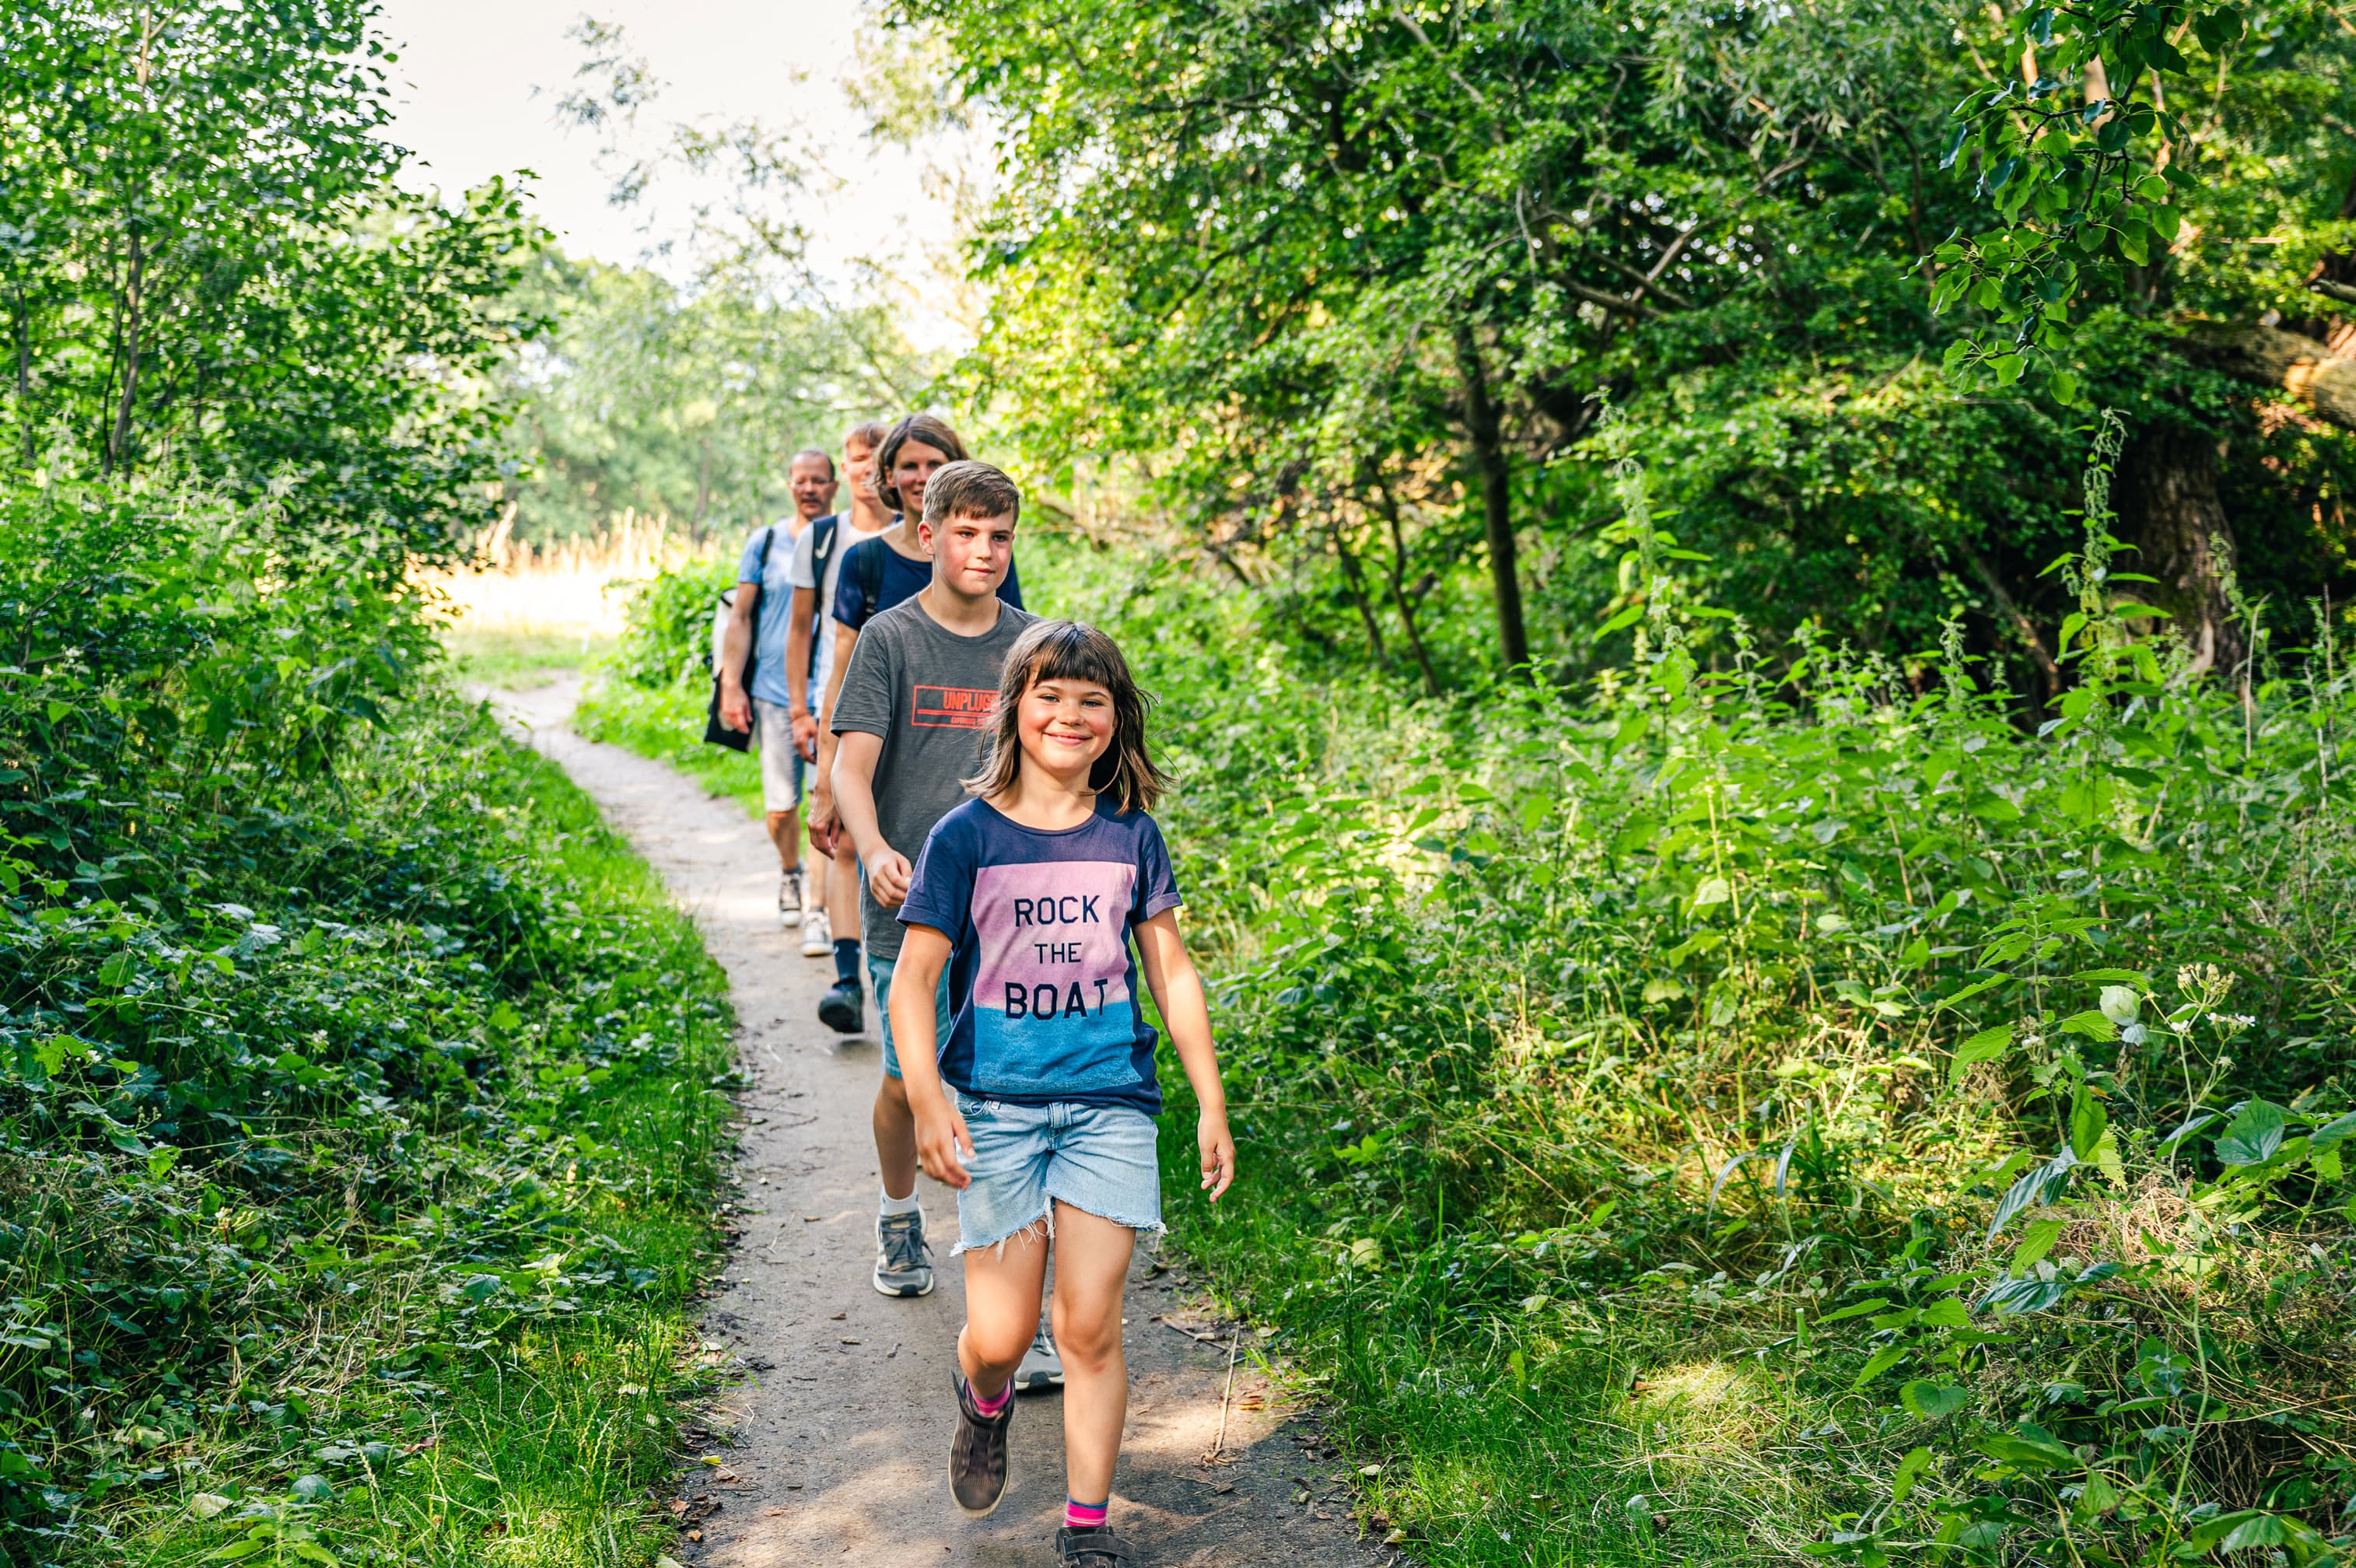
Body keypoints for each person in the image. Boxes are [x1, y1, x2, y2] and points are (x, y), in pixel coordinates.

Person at [887, 618, 1234, 1566]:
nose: (1069, 715)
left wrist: (1208, 1100)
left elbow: (1170, 972)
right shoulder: (966, 836)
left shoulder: (1130, 835)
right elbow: (913, 980)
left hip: (1108, 1105)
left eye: (1092, 700)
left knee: (1086, 1327)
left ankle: (1087, 1529)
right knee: (998, 1338)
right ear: (1014, 709)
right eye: (1049, 695)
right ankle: (985, 1398)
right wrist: (925, 1096)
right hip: (995, 1109)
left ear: (1117, 721)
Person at [810, 414, 1024, 1030]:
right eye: (965, 534)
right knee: (909, 1080)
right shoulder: (889, 637)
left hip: (1002, 897)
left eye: (1000, 537)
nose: (984, 551)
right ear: (929, 539)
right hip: (907, 892)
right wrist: (874, 852)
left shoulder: (1031, 646)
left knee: (985, 1086)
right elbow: (853, 768)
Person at [716, 446, 838, 928]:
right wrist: (731, 685)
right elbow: (740, 616)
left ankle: (818, 908)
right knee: (782, 808)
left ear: (834, 485)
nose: (809, 488)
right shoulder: (765, 543)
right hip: (771, 692)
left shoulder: (846, 541)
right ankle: (791, 870)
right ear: (790, 486)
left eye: (819, 480)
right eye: (800, 480)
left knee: (825, 803)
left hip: (832, 694)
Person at [785, 420, 891, 961]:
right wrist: (801, 710)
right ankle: (816, 914)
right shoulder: (823, 538)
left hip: (900, 700)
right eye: (857, 459)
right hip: (836, 698)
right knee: (826, 807)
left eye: (878, 459)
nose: (868, 470)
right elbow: (801, 627)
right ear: (844, 468)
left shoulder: (921, 532)